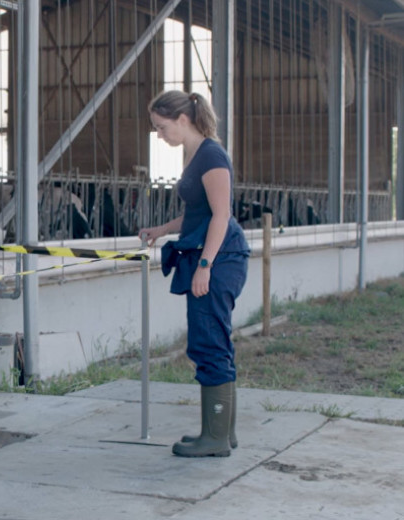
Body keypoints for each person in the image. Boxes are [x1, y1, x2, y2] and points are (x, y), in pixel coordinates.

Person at [139, 90, 250, 458]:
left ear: (183, 120)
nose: (159, 135)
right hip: (210, 255)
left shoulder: (212, 155)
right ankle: (221, 432)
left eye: (161, 127)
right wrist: (162, 230)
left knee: (208, 343)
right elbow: (198, 215)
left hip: (218, 259)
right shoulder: (196, 155)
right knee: (213, 339)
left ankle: (215, 438)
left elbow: (221, 215)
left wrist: (204, 266)